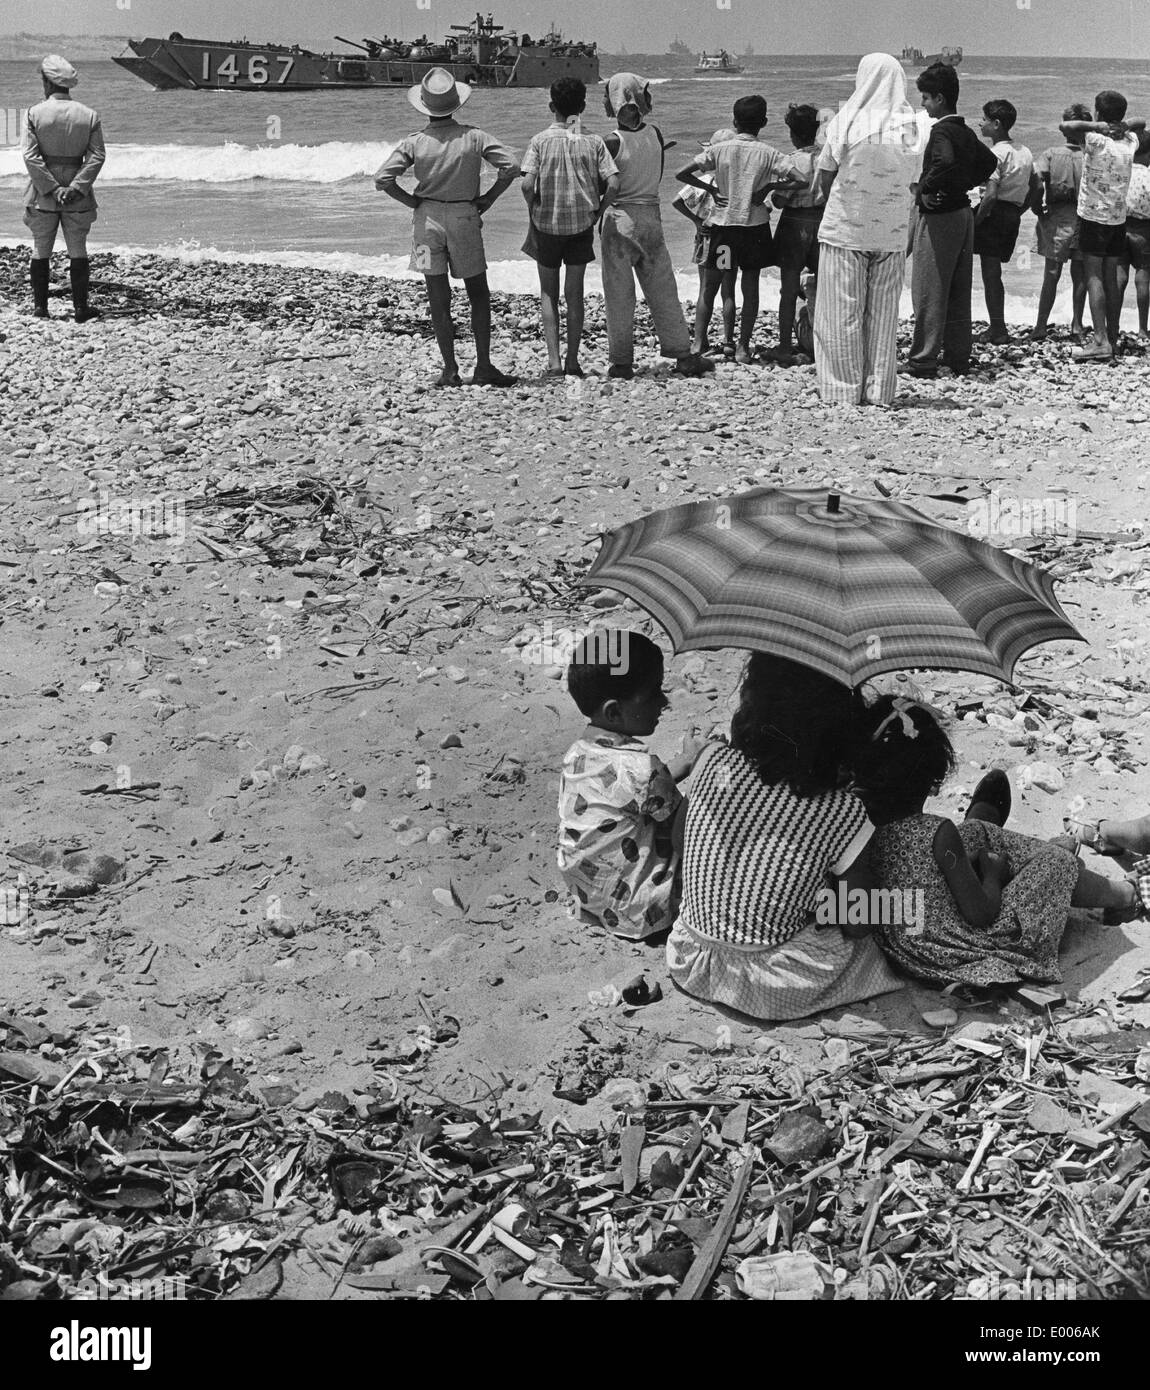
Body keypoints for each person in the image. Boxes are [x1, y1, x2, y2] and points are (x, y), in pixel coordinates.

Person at [665, 655, 904, 1022]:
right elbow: (858, 922)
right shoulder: (841, 811)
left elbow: (682, 845)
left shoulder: (712, 760)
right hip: (772, 985)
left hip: (690, 957)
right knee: (887, 917)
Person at [854, 697, 1143, 990]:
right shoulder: (936, 833)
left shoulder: (856, 820)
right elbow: (981, 914)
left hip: (906, 942)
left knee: (975, 834)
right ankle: (1126, 896)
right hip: (953, 949)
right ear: (932, 778)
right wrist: (993, 875)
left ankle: (984, 825)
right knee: (1056, 866)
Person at [375, 67, 520, 388]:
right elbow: (511, 167)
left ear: (425, 106)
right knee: (478, 295)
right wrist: (489, 199)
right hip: (464, 219)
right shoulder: (475, 137)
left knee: (437, 297)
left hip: (425, 224)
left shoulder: (414, 143)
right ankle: (483, 365)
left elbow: (382, 179)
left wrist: (412, 202)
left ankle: (450, 369)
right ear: (457, 104)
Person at [557, 631, 700, 940]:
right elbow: (684, 837)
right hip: (640, 907)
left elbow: (629, 792)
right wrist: (702, 768)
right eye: (653, 694)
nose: (664, 702)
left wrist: (684, 761)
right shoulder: (640, 769)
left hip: (591, 896)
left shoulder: (579, 753)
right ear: (613, 711)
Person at [812, 53, 924, 407]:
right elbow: (915, 182)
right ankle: (880, 391)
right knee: (883, 316)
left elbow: (822, 180)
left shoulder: (846, 120)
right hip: (891, 233)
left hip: (846, 229)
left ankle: (843, 390)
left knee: (841, 311)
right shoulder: (916, 126)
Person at [598, 72, 713, 380]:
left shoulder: (610, 141)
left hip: (619, 218)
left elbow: (605, 185)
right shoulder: (656, 134)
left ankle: (621, 361)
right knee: (663, 288)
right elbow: (656, 174)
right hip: (651, 215)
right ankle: (682, 354)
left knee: (619, 294)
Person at [675, 96, 801, 364]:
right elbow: (802, 179)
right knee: (750, 286)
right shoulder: (769, 153)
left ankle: (698, 343)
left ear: (734, 121)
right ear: (764, 122)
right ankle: (743, 347)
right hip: (754, 230)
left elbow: (682, 174)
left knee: (711, 284)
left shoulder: (719, 150)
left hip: (724, 228)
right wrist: (769, 187)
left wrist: (711, 189)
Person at [520, 77, 619, 378]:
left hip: (546, 225)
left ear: (551, 106)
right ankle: (574, 361)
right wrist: (598, 213)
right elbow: (613, 182)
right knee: (574, 294)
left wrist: (534, 207)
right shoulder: (593, 141)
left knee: (548, 293)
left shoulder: (539, 140)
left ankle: (554, 363)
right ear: (583, 107)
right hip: (581, 226)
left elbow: (526, 183)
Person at [906, 63, 998, 377]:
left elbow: (943, 160)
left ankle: (923, 359)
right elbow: (989, 162)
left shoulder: (942, 130)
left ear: (941, 98)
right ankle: (958, 355)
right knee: (958, 288)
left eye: (926, 97)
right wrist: (961, 184)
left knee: (929, 289)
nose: (922, 104)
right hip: (962, 214)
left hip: (940, 219)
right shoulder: (964, 130)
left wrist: (925, 189)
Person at [1061, 90, 1146, 363]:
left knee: (1094, 276)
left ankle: (1100, 341)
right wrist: (1123, 125)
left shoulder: (1095, 139)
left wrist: (1097, 126)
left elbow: (1066, 126)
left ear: (1098, 114)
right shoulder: (1129, 141)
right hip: (1117, 220)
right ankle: (1112, 334)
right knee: (1110, 278)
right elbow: (1141, 121)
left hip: (1092, 218)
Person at [21, 54, 106, 323]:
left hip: (42, 194)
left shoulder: (34, 113)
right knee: (78, 249)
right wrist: (75, 187)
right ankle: (81, 308)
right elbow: (97, 156)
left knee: (40, 248)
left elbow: (31, 157)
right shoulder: (89, 115)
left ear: (47, 83)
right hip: (77, 195)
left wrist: (52, 188)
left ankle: (40, 308)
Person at [766, 103, 825, 365]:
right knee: (823, 287)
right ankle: (823, 339)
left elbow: (780, 200)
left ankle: (784, 346)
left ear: (793, 133)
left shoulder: (791, 160)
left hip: (793, 224)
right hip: (822, 223)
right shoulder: (827, 157)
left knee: (788, 290)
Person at [972, 99, 1034, 345]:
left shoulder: (995, 153)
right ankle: (997, 326)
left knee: (989, 273)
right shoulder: (1025, 151)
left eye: (984, 119)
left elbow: (990, 195)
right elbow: (1037, 186)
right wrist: (1020, 209)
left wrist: (975, 223)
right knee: (994, 272)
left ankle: (997, 328)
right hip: (1011, 214)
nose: (980, 123)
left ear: (996, 124)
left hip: (994, 214)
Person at [671, 129, 737, 357]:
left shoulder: (705, 179)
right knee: (728, 290)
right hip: (729, 239)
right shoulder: (736, 180)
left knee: (706, 290)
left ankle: (700, 341)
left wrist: (697, 221)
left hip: (707, 239)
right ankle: (729, 341)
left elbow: (676, 201)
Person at [1029, 105, 1092, 343]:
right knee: (1081, 274)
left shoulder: (1051, 153)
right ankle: (1077, 324)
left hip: (1057, 216)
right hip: (1084, 216)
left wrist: (1037, 206)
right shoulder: (1090, 156)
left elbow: (1036, 182)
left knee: (1051, 274)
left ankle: (1041, 325)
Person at [1118, 133, 1150, 342]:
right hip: (1144, 230)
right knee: (1143, 277)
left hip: (1120, 227)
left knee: (1119, 277)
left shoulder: (1122, 171)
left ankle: (1113, 323)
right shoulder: (1148, 175)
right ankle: (1142, 328)